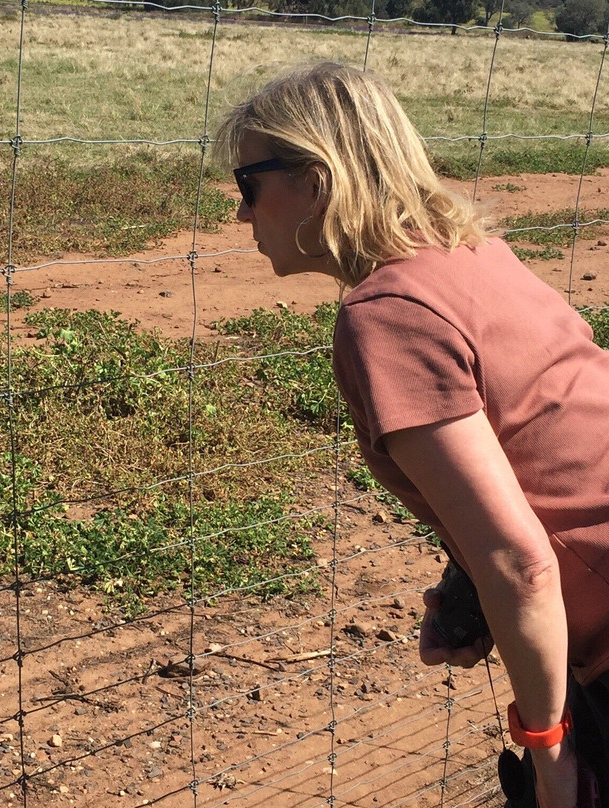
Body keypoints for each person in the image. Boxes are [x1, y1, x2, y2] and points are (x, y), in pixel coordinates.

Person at [214, 61, 609, 808]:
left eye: (247, 186)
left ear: (316, 180)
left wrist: (549, 752)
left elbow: (521, 563)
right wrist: (469, 590)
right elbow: (540, 441)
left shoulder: (386, 314)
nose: (240, 215)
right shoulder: (471, 256)